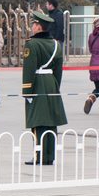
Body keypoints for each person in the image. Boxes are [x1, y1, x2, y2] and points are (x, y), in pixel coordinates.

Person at [22, 11, 67, 165]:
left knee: (38, 121)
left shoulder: (32, 44)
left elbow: (29, 69)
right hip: (51, 83)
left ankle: (38, 156)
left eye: (34, 24)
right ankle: (49, 156)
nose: (32, 27)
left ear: (39, 27)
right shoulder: (55, 44)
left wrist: (26, 91)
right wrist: (55, 87)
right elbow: (59, 70)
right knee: (50, 121)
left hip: (37, 83)